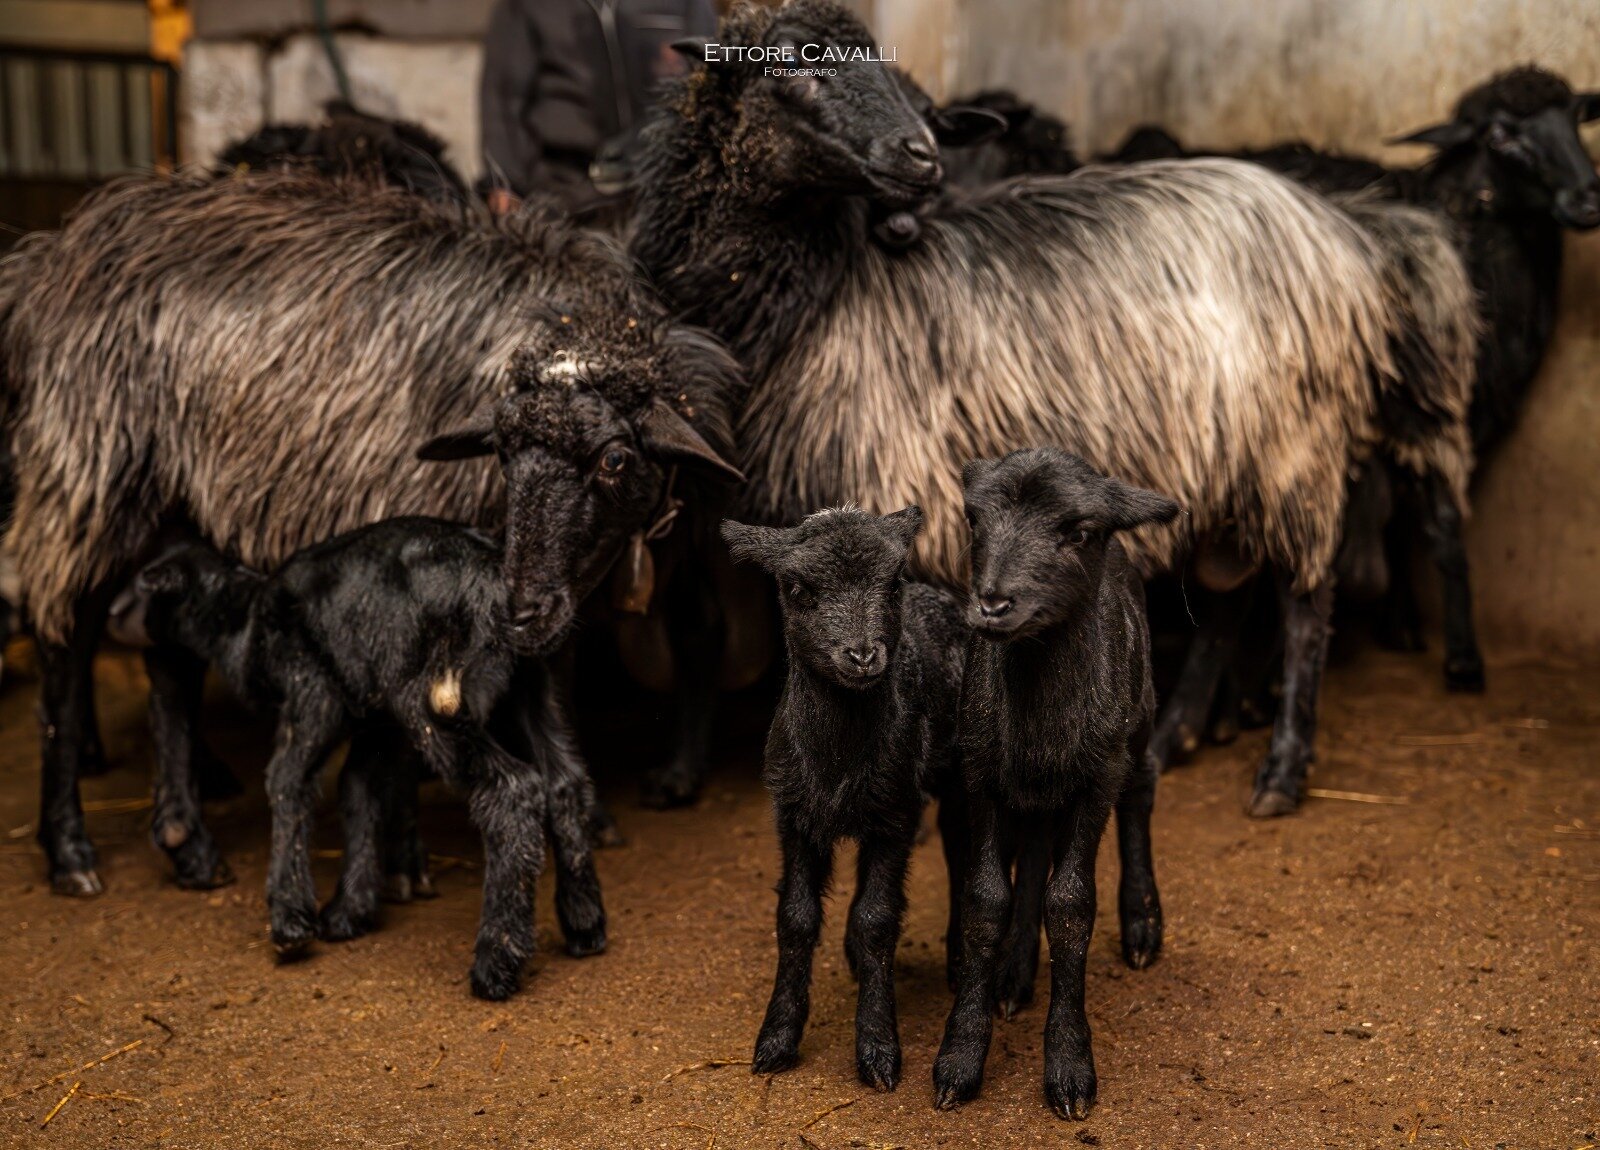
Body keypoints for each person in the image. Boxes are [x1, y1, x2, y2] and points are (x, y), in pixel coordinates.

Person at [479, 0, 717, 211]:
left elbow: (715, 68)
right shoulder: (526, 6)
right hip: (566, 189)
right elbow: (504, 96)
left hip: (664, 185)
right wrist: (505, 182)